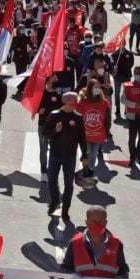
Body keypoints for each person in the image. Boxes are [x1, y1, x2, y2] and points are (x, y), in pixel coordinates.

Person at [45, 92, 90, 222]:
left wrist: (84, 155)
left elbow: (82, 138)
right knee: (51, 179)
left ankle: (65, 210)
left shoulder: (77, 118)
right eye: (74, 102)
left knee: (69, 184)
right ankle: (55, 201)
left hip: (70, 155)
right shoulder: (54, 115)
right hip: (55, 154)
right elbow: (45, 132)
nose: (75, 104)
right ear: (67, 102)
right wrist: (55, 131)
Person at [60, 205, 129, 279]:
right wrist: (72, 275)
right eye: (94, 221)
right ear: (87, 222)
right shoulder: (75, 243)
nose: (97, 225)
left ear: (105, 223)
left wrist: (121, 277)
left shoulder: (116, 244)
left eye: (100, 222)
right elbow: (65, 268)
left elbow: (124, 270)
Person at [77, 79, 111, 178]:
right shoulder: (83, 101)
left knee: (94, 152)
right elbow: (78, 115)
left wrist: (107, 131)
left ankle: (90, 169)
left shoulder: (103, 102)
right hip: (85, 133)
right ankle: (86, 168)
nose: (97, 89)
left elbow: (107, 119)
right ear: (90, 88)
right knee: (86, 152)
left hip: (98, 133)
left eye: (98, 87)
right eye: (95, 87)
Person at [35, 74, 64, 183]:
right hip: (43, 125)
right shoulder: (41, 93)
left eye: (56, 77)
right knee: (43, 149)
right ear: (47, 81)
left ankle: (52, 171)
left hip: (54, 127)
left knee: (54, 149)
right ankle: (44, 172)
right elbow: (37, 107)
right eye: (53, 77)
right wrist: (39, 110)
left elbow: (60, 109)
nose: (56, 78)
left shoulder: (58, 94)